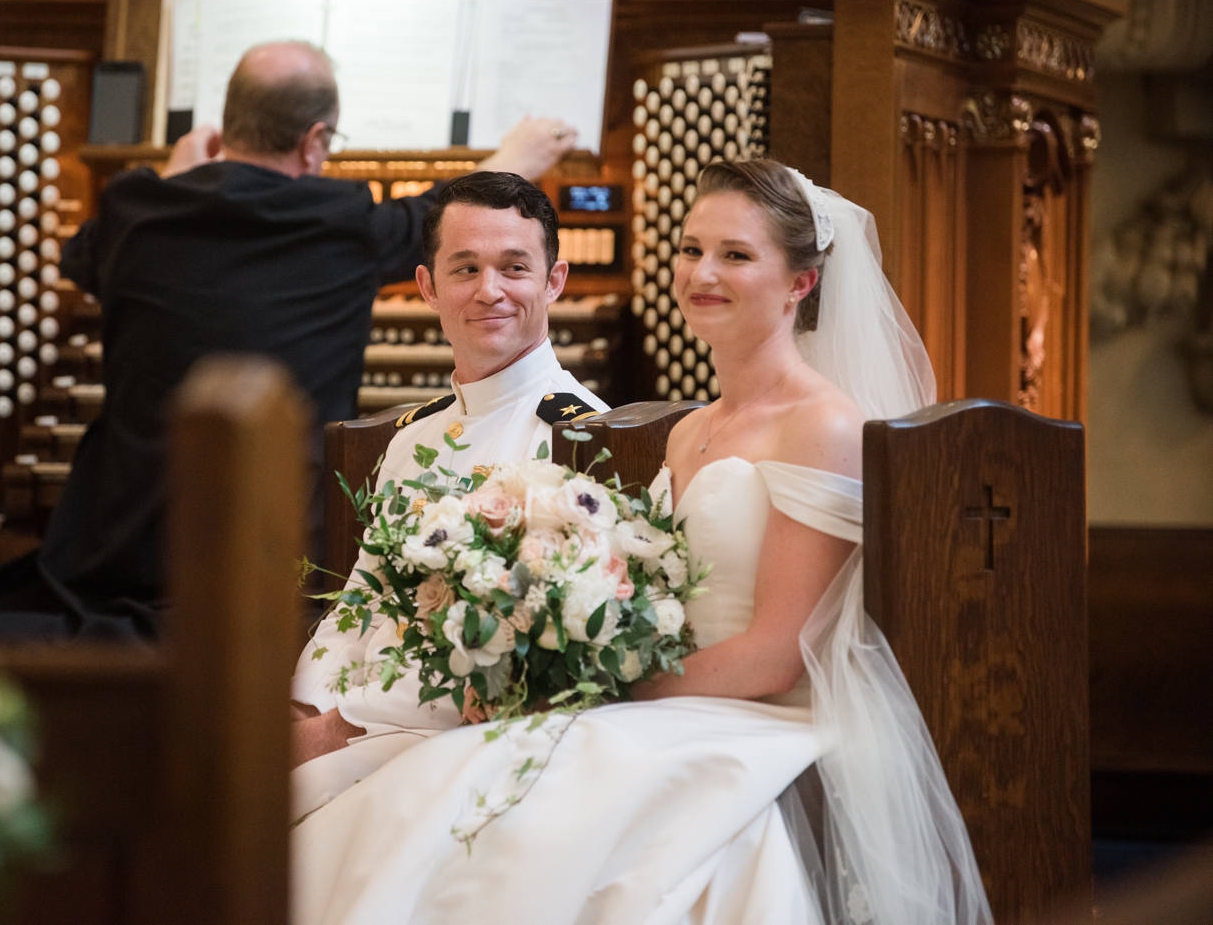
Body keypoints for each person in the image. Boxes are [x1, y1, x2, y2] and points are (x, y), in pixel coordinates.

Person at [290, 160, 991, 925]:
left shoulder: (820, 424)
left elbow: (778, 653)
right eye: (691, 250)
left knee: (490, 814)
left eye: (736, 254)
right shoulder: (690, 429)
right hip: (659, 694)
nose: (703, 273)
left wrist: (599, 689)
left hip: (757, 711)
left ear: (801, 282)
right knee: (436, 807)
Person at [0, 41, 577, 641]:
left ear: (223, 127)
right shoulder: (341, 220)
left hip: (121, 553)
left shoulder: (134, 210)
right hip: (281, 561)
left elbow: (80, 257)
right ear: (316, 139)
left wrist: (170, 177)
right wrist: (510, 162)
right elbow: (431, 223)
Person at [290, 169, 608, 818]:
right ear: (428, 287)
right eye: (465, 269)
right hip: (357, 722)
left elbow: (531, 657)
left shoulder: (576, 439)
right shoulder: (411, 437)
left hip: (463, 737)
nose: (489, 291)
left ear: (555, 281)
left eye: (514, 267)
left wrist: (335, 724)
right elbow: (359, 600)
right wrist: (306, 702)